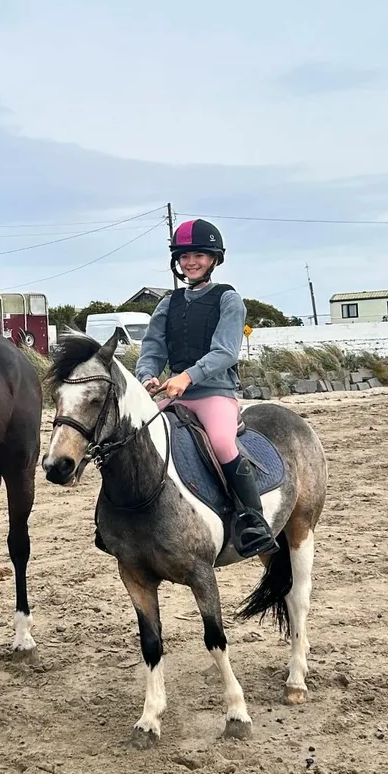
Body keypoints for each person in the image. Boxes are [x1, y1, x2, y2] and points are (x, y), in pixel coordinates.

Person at [135, 219, 279, 558]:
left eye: (199, 255)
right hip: (173, 394)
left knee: (220, 442)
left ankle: (253, 520)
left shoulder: (228, 299)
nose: (191, 262)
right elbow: (152, 347)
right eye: (184, 256)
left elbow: (226, 351)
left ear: (214, 259)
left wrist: (188, 376)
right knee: (135, 436)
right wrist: (147, 376)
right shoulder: (168, 304)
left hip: (214, 393)